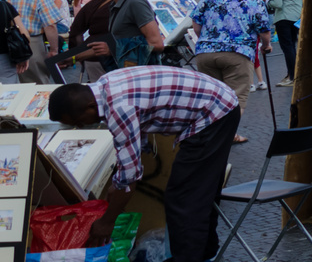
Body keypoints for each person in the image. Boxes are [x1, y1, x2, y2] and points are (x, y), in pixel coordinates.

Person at [50, 68, 239, 261]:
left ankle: (190, 257)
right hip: (218, 103)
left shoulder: (118, 108)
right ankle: (205, 252)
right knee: (198, 192)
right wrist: (118, 184)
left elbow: (130, 176)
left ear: (90, 106)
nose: (80, 127)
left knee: (184, 198)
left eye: (78, 121)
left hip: (215, 112)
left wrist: (107, 222)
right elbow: (132, 147)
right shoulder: (103, 85)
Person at [190, 0, 272, 144]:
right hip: (238, 53)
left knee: (212, 96)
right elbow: (264, 31)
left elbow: (196, 21)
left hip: (206, 52)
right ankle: (227, 135)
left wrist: (204, 38)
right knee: (237, 97)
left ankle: (210, 132)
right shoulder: (254, 0)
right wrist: (266, 45)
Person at [0, 0, 70, 82]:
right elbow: (50, 25)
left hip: (2, 45)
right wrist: (54, 50)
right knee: (36, 84)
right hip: (29, 44)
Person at [266, 0, 303, 87]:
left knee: (287, 48)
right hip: (295, 15)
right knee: (293, 47)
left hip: (283, 17)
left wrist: (267, 1)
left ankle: (292, 76)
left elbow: (278, 3)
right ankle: (294, 74)